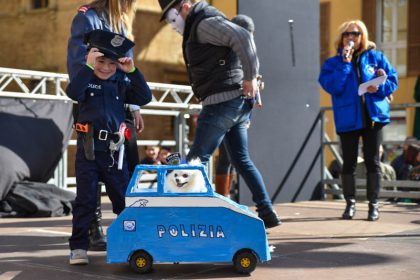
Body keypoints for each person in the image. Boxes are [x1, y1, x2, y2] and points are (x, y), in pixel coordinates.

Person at [157, 0, 281, 228]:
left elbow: (243, 37)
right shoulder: (200, 24)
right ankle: (267, 211)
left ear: (184, 6)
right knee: (241, 160)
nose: (171, 25)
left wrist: (251, 77)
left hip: (221, 104)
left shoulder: (204, 24)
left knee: (196, 159)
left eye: (171, 17)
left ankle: (185, 216)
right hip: (235, 104)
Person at [66, 29, 152, 265]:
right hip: (88, 151)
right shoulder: (85, 79)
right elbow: (72, 92)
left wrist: (132, 71)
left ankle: (132, 243)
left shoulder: (120, 82)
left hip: (115, 153)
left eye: (111, 63)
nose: (105, 67)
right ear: (91, 58)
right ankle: (78, 248)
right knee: (85, 200)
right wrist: (87, 67)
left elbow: (145, 96)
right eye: (100, 61)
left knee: (124, 200)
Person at [319, 20, 398, 221]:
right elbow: (334, 87)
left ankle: (373, 205)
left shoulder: (376, 57)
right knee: (349, 164)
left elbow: (392, 80)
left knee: (373, 162)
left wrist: (378, 87)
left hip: (373, 117)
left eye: (355, 33)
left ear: (362, 36)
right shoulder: (332, 64)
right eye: (347, 34)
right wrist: (345, 64)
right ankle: (350, 204)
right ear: (341, 38)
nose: (350, 37)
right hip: (348, 119)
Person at [215, 14, 259, 198]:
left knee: (233, 158)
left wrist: (256, 83)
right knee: (227, 157)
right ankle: (221, 199)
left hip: (242, 109)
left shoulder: (247, 52)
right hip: (223, 108)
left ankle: (225, 198)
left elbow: (252, 81)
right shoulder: (222, 52)